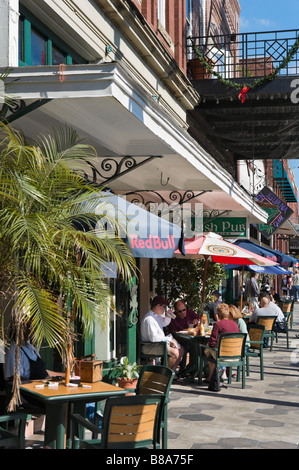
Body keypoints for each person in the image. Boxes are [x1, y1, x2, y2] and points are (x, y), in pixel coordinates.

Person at [140, 296, 185, 377]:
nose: (165, 309)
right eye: (164, 307)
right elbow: (154, 338)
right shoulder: (149, 319)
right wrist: (169, 340)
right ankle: (161, 375)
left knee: (181, 350)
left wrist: (168, 316)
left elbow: (164, 323)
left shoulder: (156, 315)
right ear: (158, 306)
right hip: (150, 346)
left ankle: (171, 373)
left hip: (158, 344)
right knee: (175, 353)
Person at [204, 303, 240, 383]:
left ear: (218, 314)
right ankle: (219, 374)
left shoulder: (217, 324)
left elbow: (212, 343)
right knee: (212, 350)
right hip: (235, 355)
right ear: (228, 313)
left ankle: (211, 376)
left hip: (223, 356)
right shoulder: (235, 324)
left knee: (208, 350)